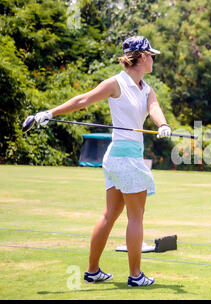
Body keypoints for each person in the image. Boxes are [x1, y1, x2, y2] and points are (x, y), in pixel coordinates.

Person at [34, 36, 171, 287]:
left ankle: (93, 271)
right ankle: (135, 275)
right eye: (150, 55)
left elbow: (154, 108)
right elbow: (83, 100)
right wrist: (49, 113)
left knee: (111, 214)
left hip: (117, 158)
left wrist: (162, 125)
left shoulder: (146, 88)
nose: (153, 58)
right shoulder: (116, 83)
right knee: (136, 217)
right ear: (140, 57)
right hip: (126, 159)